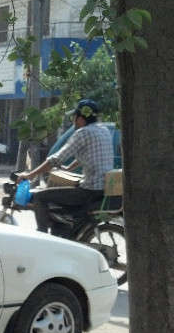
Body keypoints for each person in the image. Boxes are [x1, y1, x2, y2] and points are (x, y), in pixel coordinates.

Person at [17, 99, 113, 233]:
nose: (73, 120)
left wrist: (29, 175)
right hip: (104, 188)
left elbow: (55, 159)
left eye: (74, 117)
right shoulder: (104, 130)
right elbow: (88, 155)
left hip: (89, 190)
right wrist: (69, 169)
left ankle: (42, 237)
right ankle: (62, 227)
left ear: (80, 118)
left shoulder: (83, 133)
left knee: (40, 197)